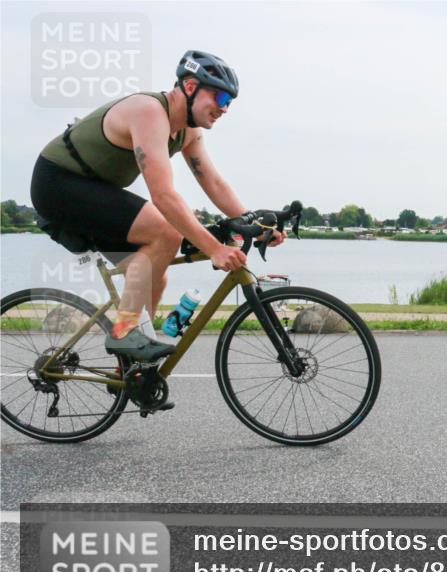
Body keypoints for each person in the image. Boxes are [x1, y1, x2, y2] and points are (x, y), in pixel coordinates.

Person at [30, 50, 284, 361]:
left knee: (155, 271)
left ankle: (134, 367)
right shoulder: (149, 112)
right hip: (58, 184)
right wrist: (215, 249)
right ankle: (124, 332)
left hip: (95, 189)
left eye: (230, 102)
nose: (225, 108)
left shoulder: (188, 132)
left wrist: (254, 225)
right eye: (219, 98)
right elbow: (163, 196)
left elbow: (214, 183)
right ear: (190, 87)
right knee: (165, 234)